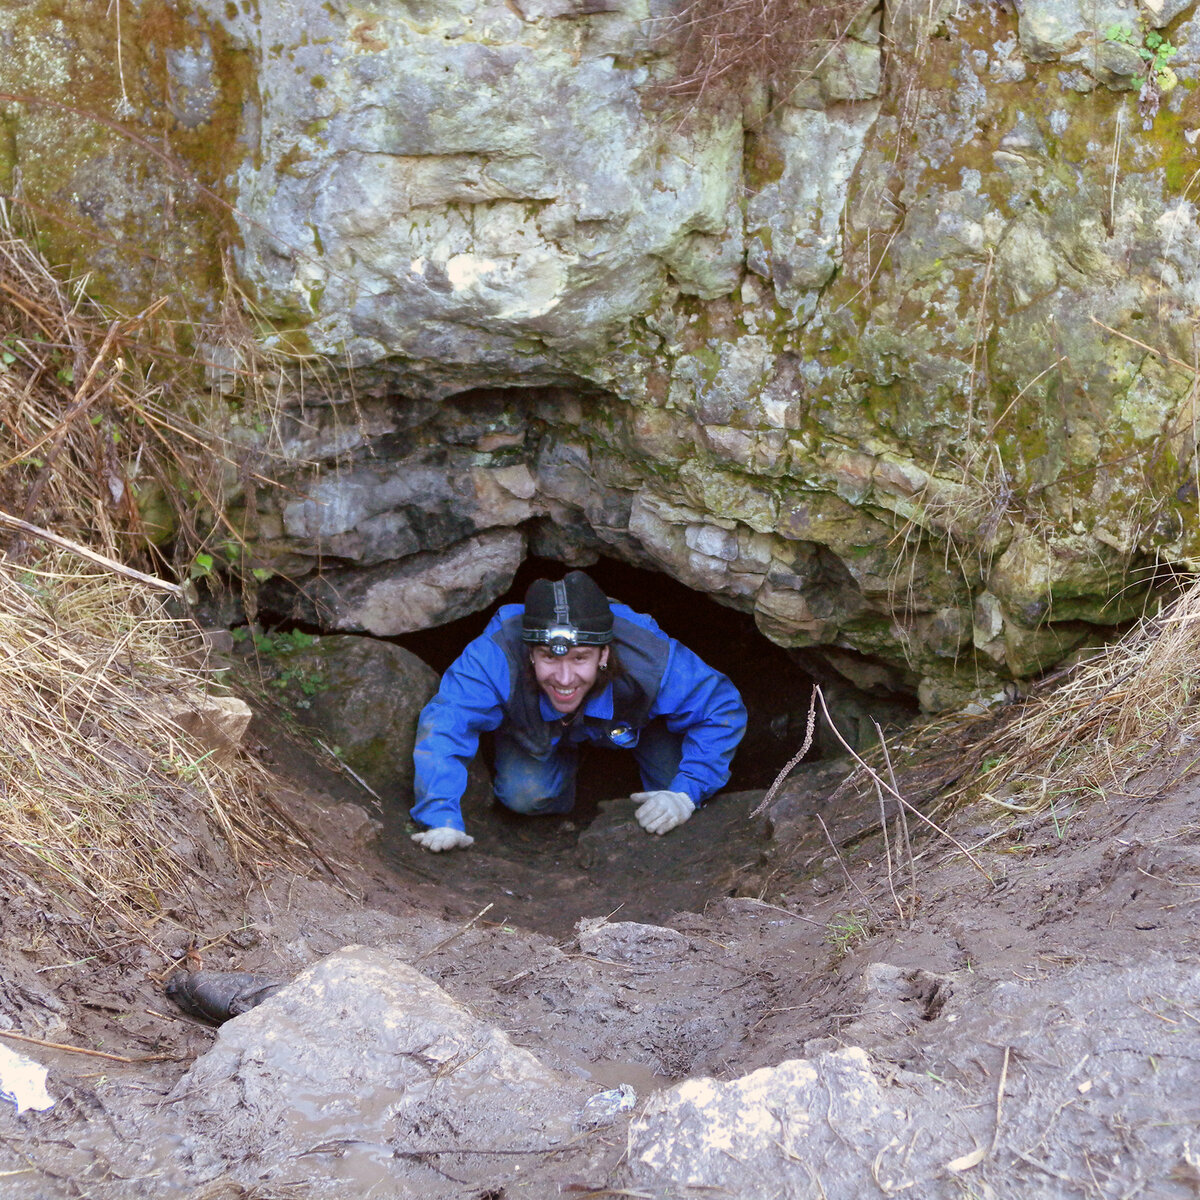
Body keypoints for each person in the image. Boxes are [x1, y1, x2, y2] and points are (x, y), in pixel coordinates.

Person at [410, 570, 747, 852]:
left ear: (604, 654)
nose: (565, 678)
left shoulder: (649, 659)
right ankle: (569, 775)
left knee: (669, 800)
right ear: (530, 653)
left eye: (580, 658)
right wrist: (441, 816)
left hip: (633, 725)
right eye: (549, 657)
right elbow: (446, 723)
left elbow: (721, 708)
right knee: (525, 795)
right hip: (535, 730)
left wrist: (688, 791)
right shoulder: (495, 654)